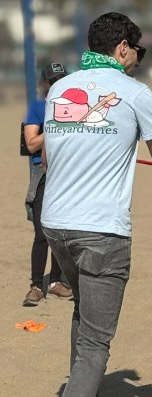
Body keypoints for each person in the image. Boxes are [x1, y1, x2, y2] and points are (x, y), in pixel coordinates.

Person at [41, 12, 152, 397]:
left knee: (84, 315)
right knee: (96, 344)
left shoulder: (60, 88)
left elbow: (48, 160)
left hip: (56, 224)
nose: (139, 59)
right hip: (101, 231)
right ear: (122, 48)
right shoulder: (135, 93)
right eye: (139, 51)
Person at [22, 63, 73, 306]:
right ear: (46, 85)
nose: (58, 85)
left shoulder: (75, 106)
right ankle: (35, 285)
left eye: (62, 79)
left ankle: (55, 282)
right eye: (54, 81)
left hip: (66, 171)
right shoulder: (38, 107)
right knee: (42, 233)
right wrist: (56, 125)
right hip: (42, 174)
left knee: (62, 231)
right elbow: (31, 144)